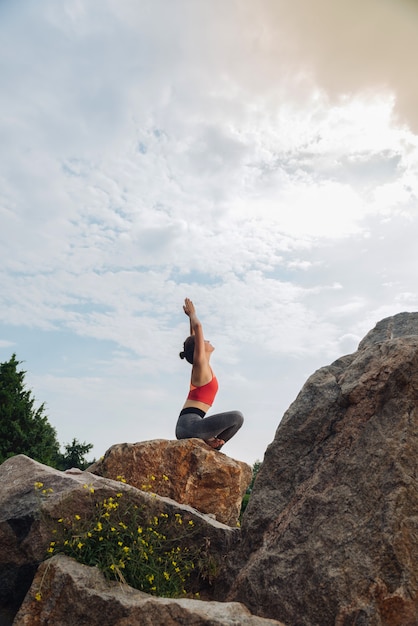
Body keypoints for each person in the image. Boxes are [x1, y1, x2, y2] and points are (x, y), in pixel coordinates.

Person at [175, 298, 244, 450]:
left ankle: (210, 443)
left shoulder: (203, 366)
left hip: (190, 424)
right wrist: (193, 315)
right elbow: (198, 328)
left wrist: (190, 320)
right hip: (189, 425)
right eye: (204, 340)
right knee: (237, 417)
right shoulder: (200, 365)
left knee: (237, 418)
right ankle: (212, 446)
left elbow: (194, 336)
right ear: (199, 349)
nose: (207, 341)